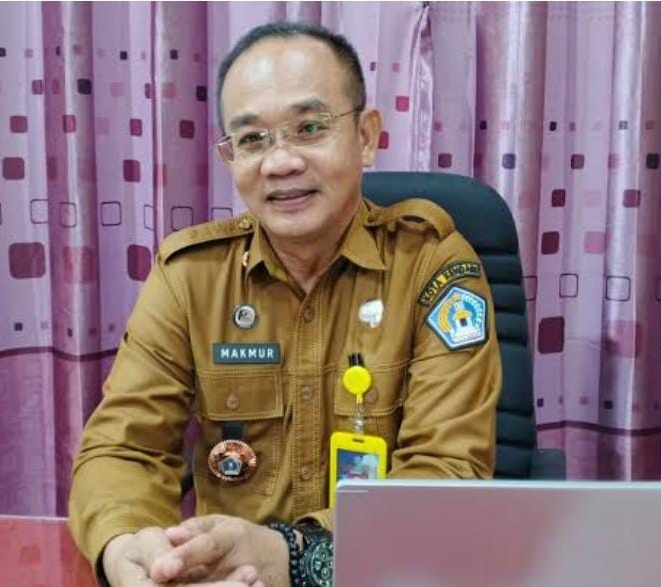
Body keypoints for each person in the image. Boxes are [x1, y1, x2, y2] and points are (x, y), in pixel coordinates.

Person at [68, 21, 501, 587]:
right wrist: (128, 551)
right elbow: (124, 450)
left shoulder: (430, 265)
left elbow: (446, 474)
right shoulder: (191, 277)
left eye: (310, 128)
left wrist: (289, 557)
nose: (279, 163)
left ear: (366, 135)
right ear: (229, 157)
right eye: (252, 140)